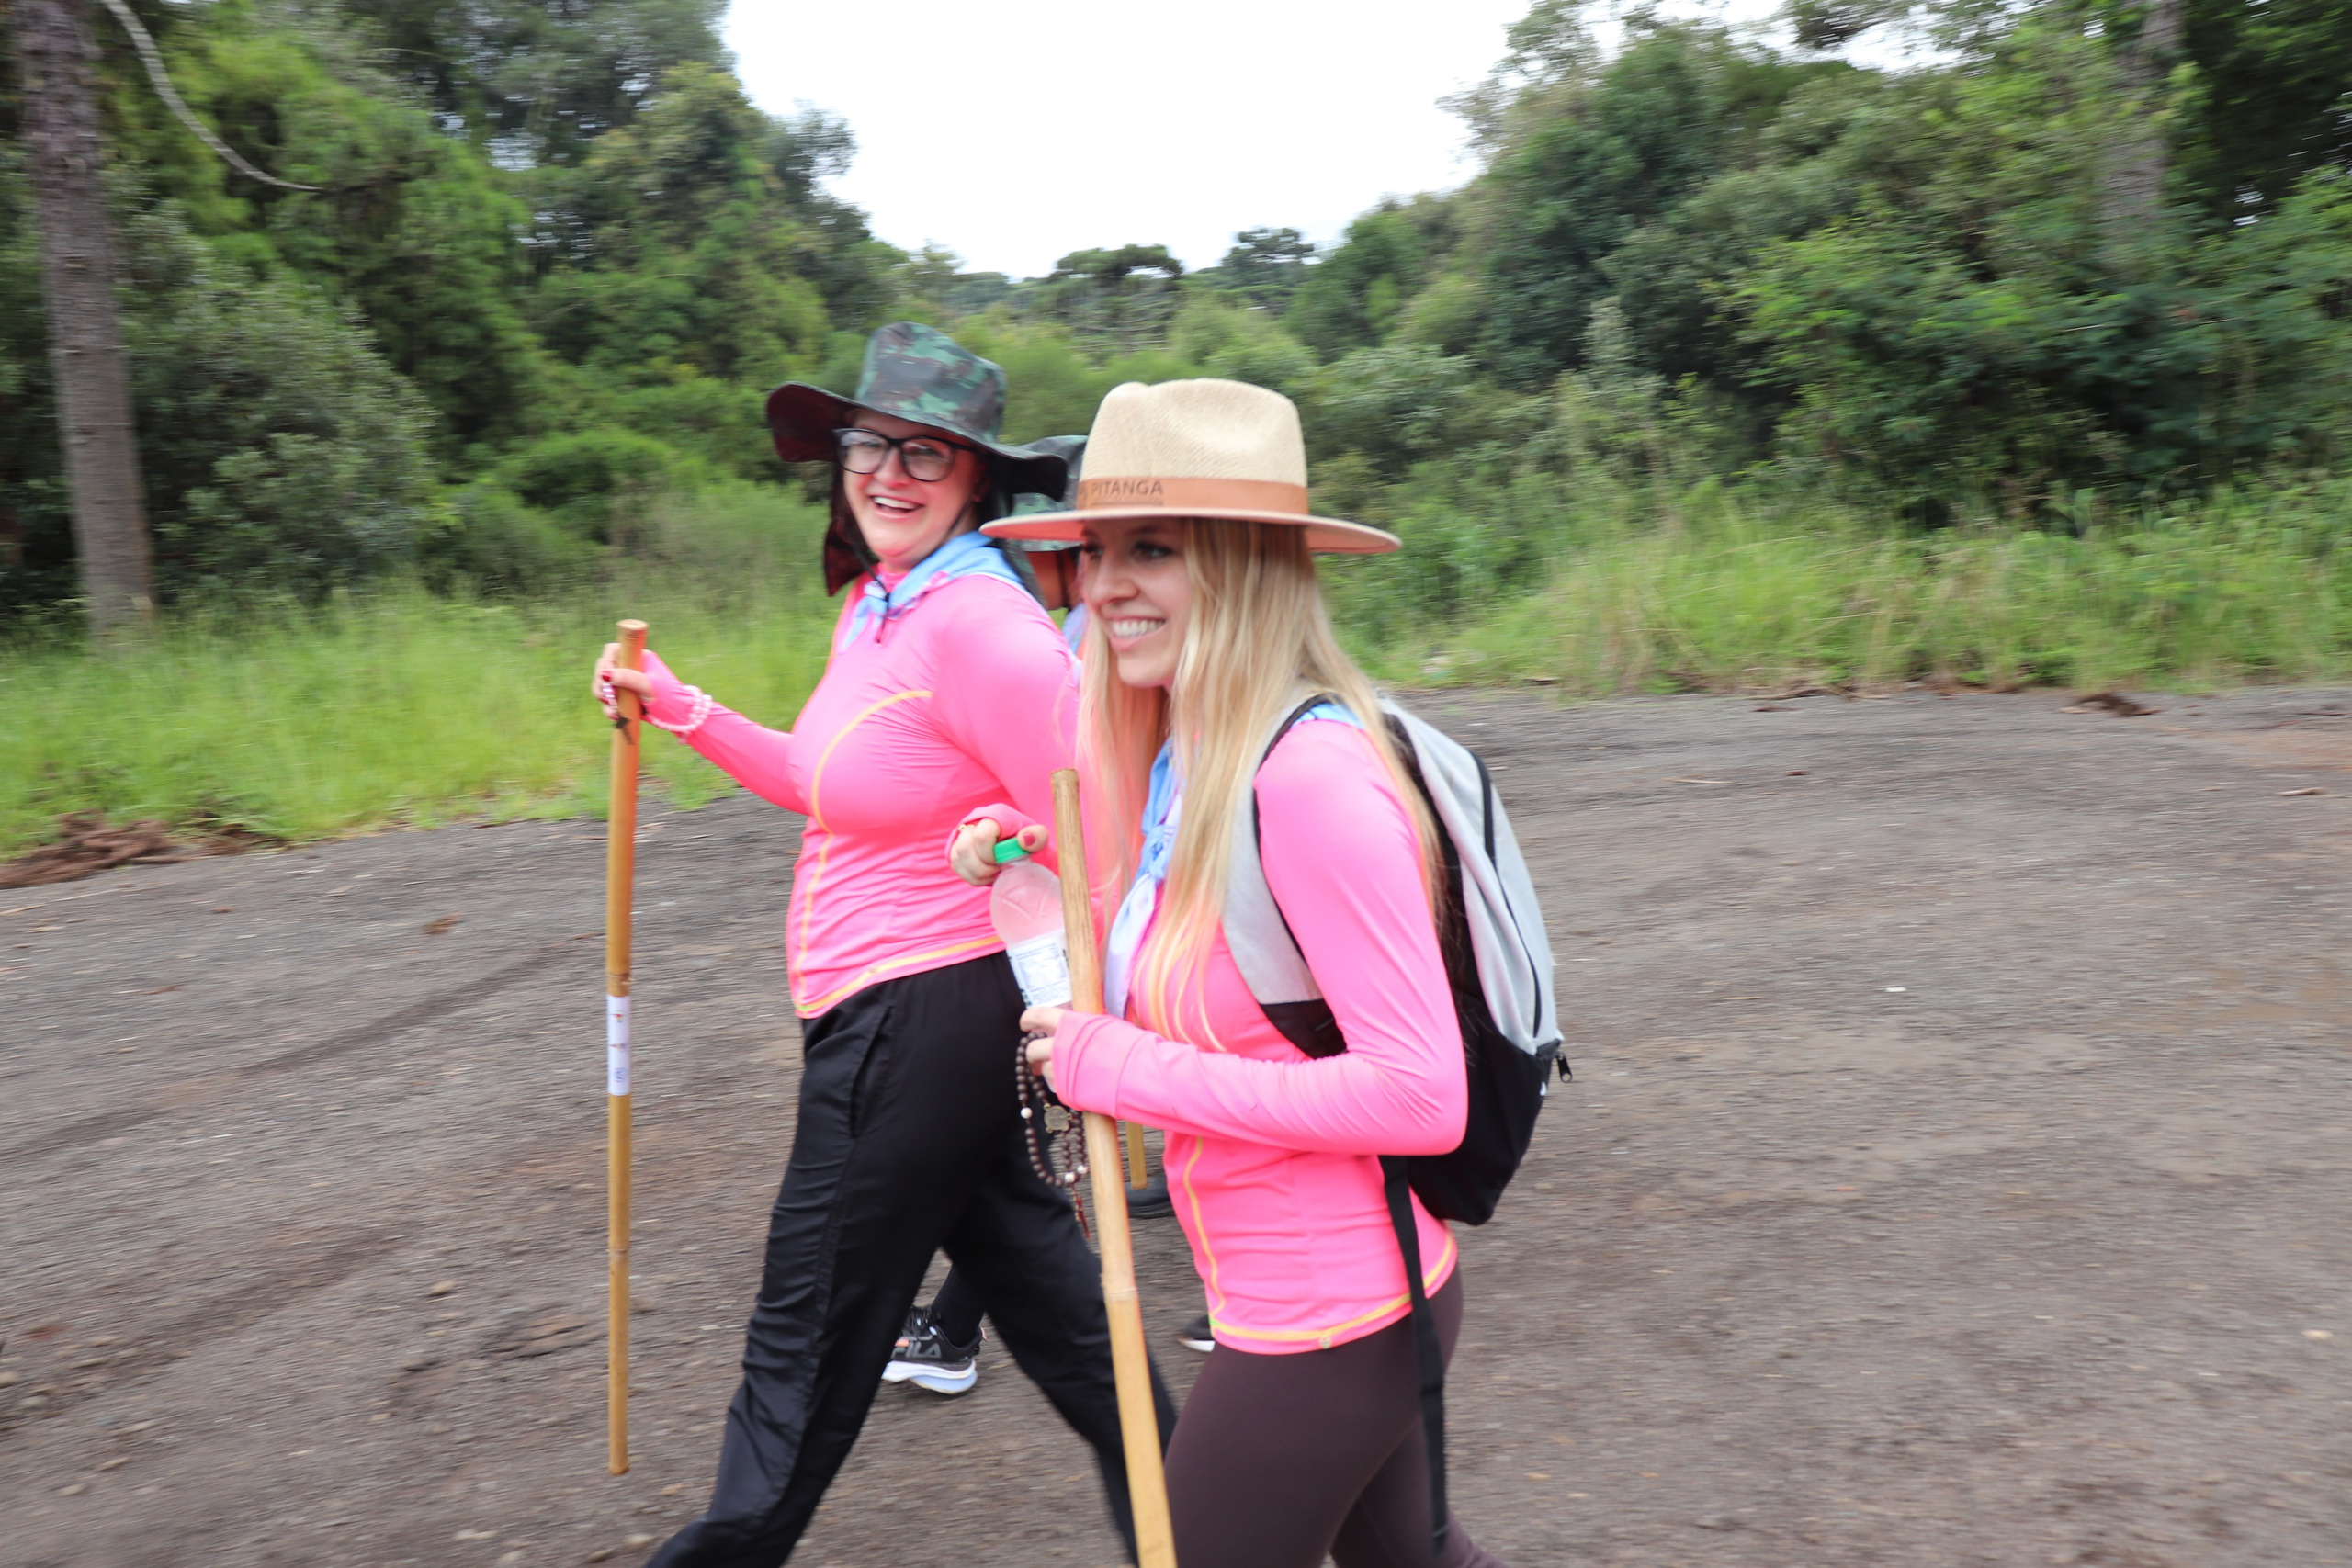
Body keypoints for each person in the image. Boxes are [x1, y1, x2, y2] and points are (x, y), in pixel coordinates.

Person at [594, 322, 1173, 1566]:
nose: (890, 473)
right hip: (925, 1033)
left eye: (927, 452)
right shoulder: (879, 605)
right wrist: (681, 708)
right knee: (1066, 1319)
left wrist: (1023, 847)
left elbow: (1112, 829)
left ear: (975, 479)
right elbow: (826, 779)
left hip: (919, 1025)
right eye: (872, 444)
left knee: (805, 1341)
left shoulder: (979, 625)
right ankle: (1210, 1527)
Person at [954, 378, 1509, 1568]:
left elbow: (1422, 1095)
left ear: (1248, 562)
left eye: (1150, 550)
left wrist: (1132, 1071)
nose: (1104, 587)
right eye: (1094, 552)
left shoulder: (1306, 781)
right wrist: (1034, 868)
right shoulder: (1191, 760)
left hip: (1332, 1319)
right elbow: (1207, 968)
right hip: (1322, 1299)